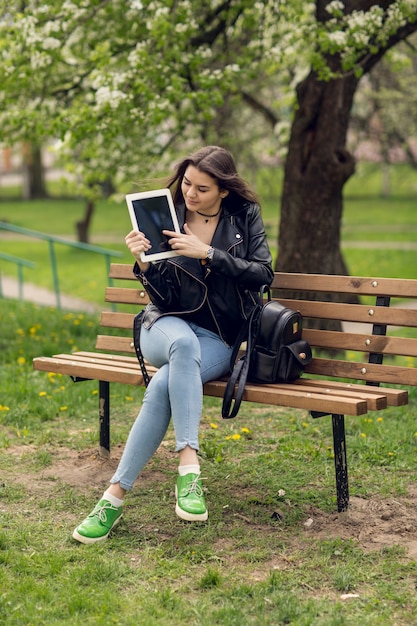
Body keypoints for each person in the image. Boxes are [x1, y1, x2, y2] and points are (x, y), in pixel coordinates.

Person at [72, 145, 274, 544]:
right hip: (164, 327)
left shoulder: (243, 217)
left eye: (202, 188)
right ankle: (188, 466)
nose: (191, 194)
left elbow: (263, 274)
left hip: (218, 339)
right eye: (186, 184)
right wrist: (144, 263)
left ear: (224, 191)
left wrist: (210, 254)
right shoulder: (166, 214)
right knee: (182, 347)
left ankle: (112, 499)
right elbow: (162, 298)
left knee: (166, 384)